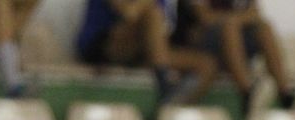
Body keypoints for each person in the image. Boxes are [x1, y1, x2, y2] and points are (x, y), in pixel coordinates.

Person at [177, 0, 295, 111]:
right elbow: (205, 17)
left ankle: (285, 93)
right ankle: (247, 92)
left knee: (264, 27)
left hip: (234, 37)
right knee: (230, 27)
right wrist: (235, 20)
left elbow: (255, 13)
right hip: (202, 44)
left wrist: (236, 20)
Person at [76, 0, 216, 106]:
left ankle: (168, 112)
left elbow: (164, 31)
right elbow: (129, 13)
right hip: (104, 44)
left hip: (148, 52)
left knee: (206, 65)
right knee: (152, 13)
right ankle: (163, 82)